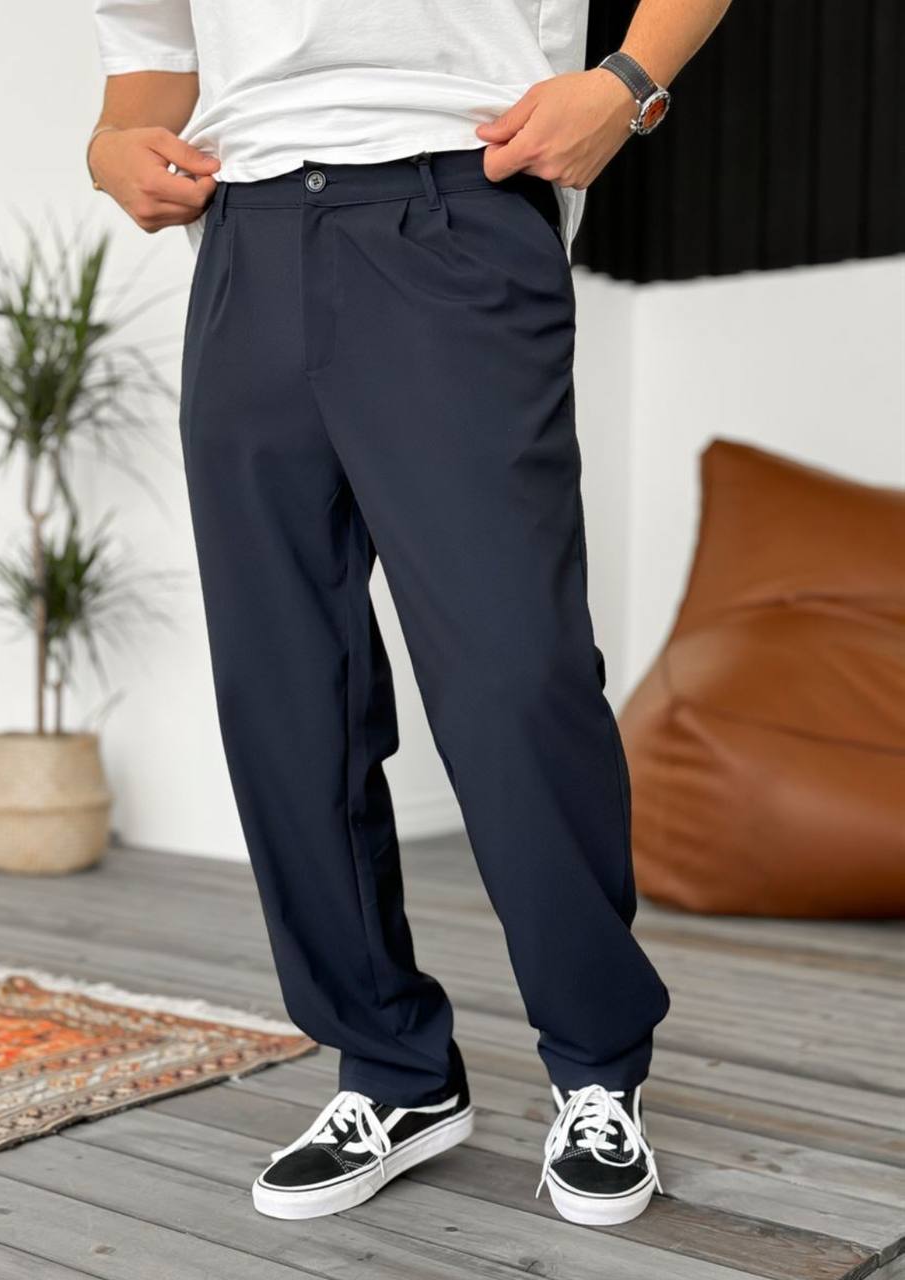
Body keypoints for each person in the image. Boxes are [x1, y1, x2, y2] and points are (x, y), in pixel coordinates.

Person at [90, 0, 730, 1227]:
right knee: (286, 691)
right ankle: (390, 1067)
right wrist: (111, 151)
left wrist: (630, 83)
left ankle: (597, 1064)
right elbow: (146, 69)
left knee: (514, 673)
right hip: (245, 241)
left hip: (456, 204)